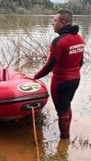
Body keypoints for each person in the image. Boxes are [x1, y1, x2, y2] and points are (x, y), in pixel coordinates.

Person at [34, 9, 84, 139]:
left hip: (61, 82)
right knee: (67, 105)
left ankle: (64, 140)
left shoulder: (59, 41)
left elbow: (49, 65)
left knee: (61, 112)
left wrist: (34, 77)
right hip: (75, 79)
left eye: (54, 20)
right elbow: (81, 62)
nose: (52, 23)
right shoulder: (79, 38)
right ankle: (66, 137)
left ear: (63, 22)